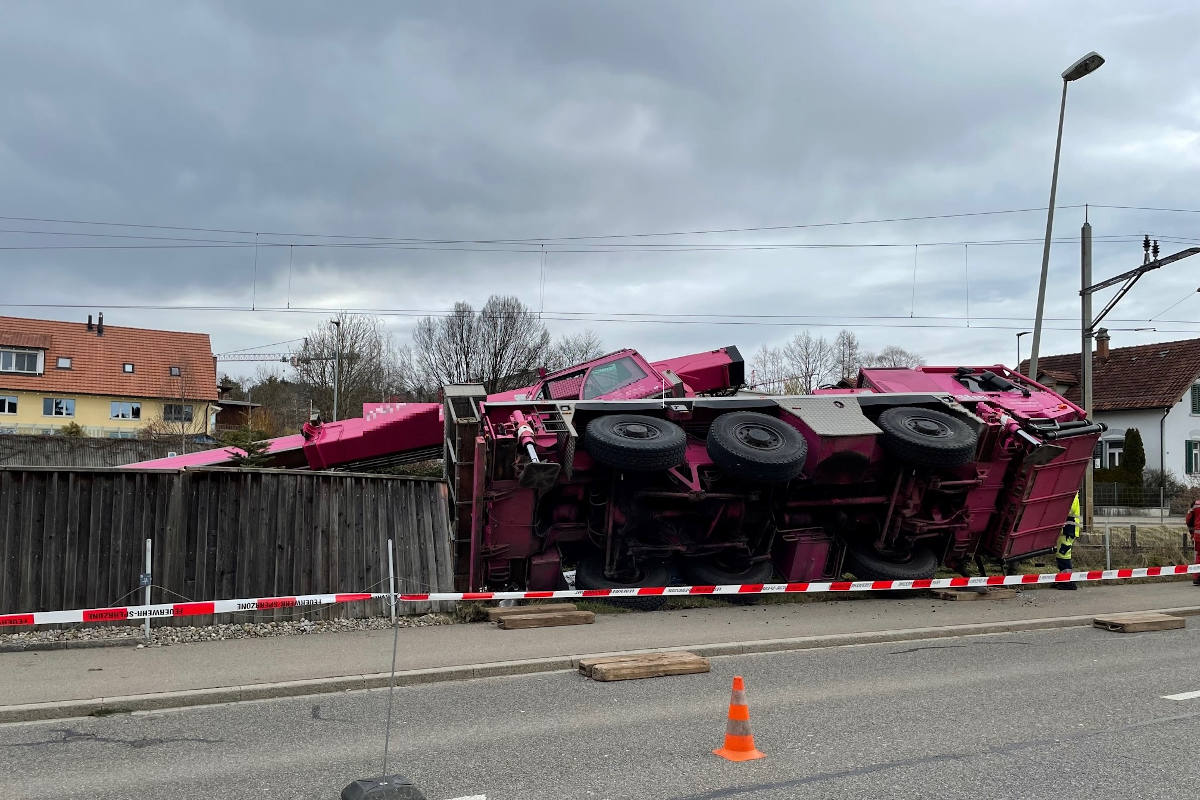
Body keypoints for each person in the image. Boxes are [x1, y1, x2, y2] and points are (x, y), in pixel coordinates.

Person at [1055, 493, 1081, 590]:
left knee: (1063, 554)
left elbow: (1070, 510)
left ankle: (1068, 582)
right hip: (1068, 529)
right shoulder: (1073, 492)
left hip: (1069, 530)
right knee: (1061, 554)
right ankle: (1064, 580)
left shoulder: (1073, 493)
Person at [1186, 499, 1200, 586]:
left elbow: (1188, 520)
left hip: (1198, 535)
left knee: (1199, 556)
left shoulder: (1195, 504)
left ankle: (1197, 577)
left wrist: (1192, 534)